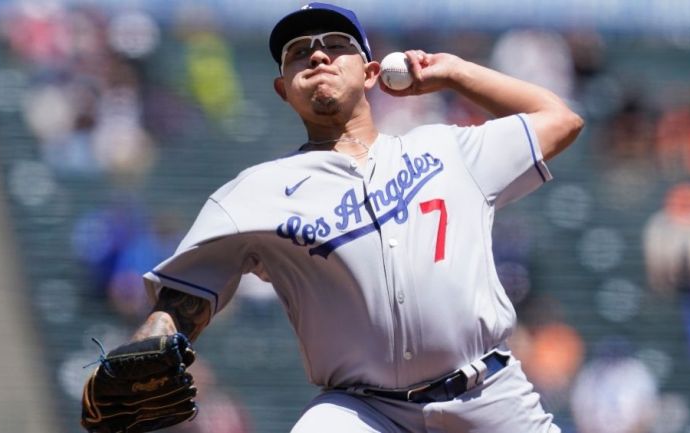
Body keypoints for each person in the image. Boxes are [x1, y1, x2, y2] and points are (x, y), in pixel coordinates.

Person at [83, 3, 583, 432]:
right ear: (284, 89)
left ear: (370, 72)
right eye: (298, 52)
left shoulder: (447, 147)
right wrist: (158, 332)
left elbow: (561, 120)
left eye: (335, 44)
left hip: (488, 393)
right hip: (363, 410)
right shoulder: (254, 193)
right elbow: (184, 298)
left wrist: (453, 72)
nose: (317, 53)